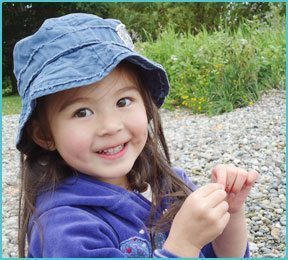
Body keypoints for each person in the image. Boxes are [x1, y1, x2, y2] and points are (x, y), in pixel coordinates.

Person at [14, 13, 258, 258]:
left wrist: (230, 213)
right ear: (44, 134)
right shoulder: (64, 228)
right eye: (82, 112)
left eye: (123, 101)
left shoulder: (168, 184)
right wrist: (183, 245)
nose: (110, 126)